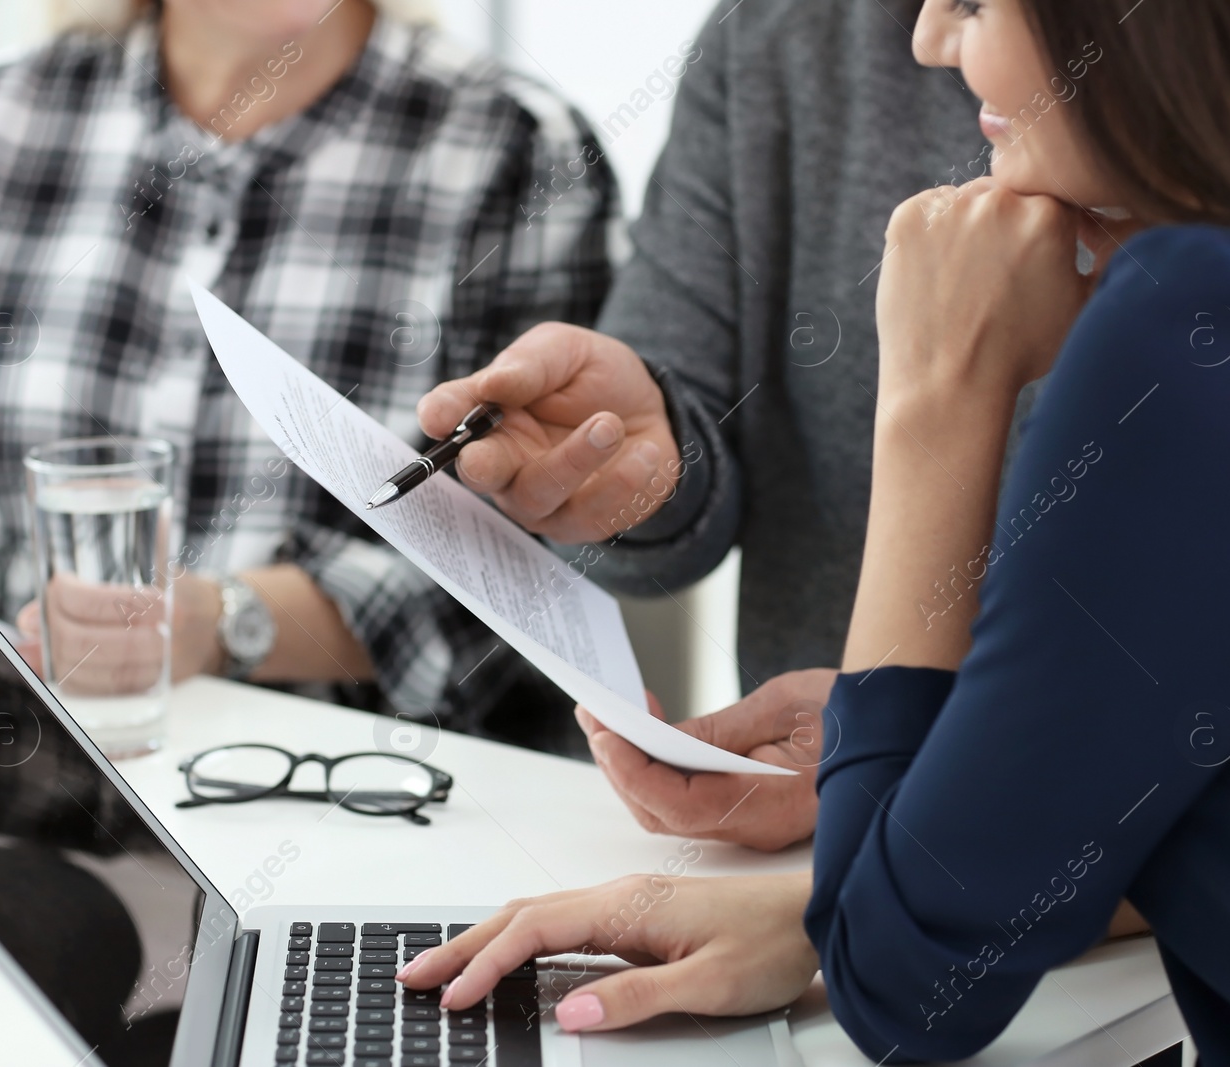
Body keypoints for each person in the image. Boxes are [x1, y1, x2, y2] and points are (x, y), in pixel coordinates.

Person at [400, 0, 1230, 1063]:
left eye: (972, 2)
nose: (929, 39)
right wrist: (928, 789)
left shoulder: (1190, 327)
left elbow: (902, 990)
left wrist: (936, 390)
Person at [0, 0, 614, 745]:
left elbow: (531, 577)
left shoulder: (517, 146)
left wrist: (228, 621)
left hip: (370, 786)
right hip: (11, 765)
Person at [416, 0, 991, 845]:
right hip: (818, 819)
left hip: (1091, 851)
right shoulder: (770, 34)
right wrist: (637, 479)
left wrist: (928, 762)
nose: (930, 43)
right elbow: (670, 433)